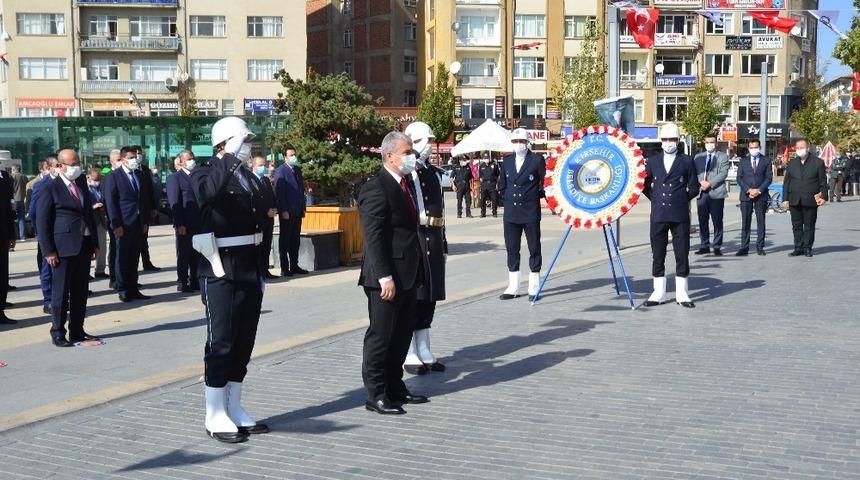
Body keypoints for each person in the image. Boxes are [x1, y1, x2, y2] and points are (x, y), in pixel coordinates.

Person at [192, 117, 269, 442]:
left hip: (249, 267)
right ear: (226, 142)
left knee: (243, 342)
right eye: (242, 140)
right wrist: (226, 157)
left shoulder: (247, 176)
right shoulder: (205, 172)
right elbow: (207, 195)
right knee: (221, 341)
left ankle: (234, 406)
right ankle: (214, 413)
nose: (248, 145)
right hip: (220, 268)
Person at [357, 131, 429, 415]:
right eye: (407, 152)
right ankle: (376, 394)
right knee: (381, 336)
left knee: (401, 335)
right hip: (386, 276)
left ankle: (395, 386)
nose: (412, 156)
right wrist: (384, 276)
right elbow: (373, 237)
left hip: (408, 272)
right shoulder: (376, 187)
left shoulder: (404, 184)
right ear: (390, 156)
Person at [36, 149, 99, 346]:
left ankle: (77, 330)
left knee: (80, 292)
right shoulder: (50, 188)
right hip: (62, 249)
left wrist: (95, 244)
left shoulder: (80, 184)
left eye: (78, 163)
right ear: (60, 166)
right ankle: (57, 331)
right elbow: (42, 222)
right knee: (61, 293)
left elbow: (88, 214)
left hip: (83, 246)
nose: (76, 167)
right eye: (72, 164)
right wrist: (49, 251)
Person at [402, 122, 447, 375]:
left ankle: (424, 347)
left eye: (430, 141)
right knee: (413, 298)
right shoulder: (406, 172)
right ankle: (408, 351)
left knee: (429, 296)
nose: (427, 146)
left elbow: (439, 208)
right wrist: (413, 160)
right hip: (415, 238)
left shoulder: (431, 171)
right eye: (421, 142)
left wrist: (444, 242)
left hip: (432, 237)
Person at [642, 122, 699, 308]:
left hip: (679, 213)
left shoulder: (687, 161)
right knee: (658, 254)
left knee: (681, 253)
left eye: (672, 139)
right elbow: (644, 184)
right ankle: (658, 292)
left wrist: (683, 199)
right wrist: (655, 198)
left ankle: (682, 293)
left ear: (678, 140)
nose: (668, 143)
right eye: (665, 139)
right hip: (658, 213)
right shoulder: (653, 161)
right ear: (661, 141)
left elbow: (695, 186)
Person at [498, 128, 546, 301]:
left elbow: (544, 184)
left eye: (521, 142)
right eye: (515, 142)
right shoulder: (507, 161)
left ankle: (534, 284)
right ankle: (514, 285)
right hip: (511, 211)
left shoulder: (536, 160)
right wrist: (507, 198)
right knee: (512, 247)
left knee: (534, 247)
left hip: (530, 210)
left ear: (527, 143)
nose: (518, 145)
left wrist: (534, 196)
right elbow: (502, 185)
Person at [105, 146, 152, 302]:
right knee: (122, 257)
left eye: (135, 157)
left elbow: (144, 199)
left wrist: (145, 221)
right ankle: (123, 288)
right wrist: (116, 224)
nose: (134, 160)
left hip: (138, 223)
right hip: (123, 223)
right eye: (131, 157)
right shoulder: (114, 176)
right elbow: (111, 202)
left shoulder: (139, 174)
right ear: (123, 158)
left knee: (134, 256)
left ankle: (133, 287)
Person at [782, 139, 827, 258]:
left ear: (808, 148)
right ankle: (798, 248)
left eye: (802, 147)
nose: (799, 150)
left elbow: (823, 182)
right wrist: (785, 199)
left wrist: (824, 197)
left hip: (811, 199)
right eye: (797, 148)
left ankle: (807, 248)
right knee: (796, 225)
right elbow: (787, 182)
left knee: (809, 225)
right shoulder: (792, 163)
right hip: (794, 199)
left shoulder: (818, 162)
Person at [166, 151, 201, 292]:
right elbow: (175, 202)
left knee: (196, 253)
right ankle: (182, 281)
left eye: (192, 158)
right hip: (185, 223)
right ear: (180, 162)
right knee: (184, 254)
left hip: (198, 222)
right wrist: (179, 223)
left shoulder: (197, 176)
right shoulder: (175, 178)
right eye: (188, 159)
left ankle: (195, 280)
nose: (191, 161)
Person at [29, 156, 59, 314]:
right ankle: (48, 300)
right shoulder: (42, 185)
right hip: (47, 233)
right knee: (47, 267)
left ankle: (59, 298)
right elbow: (34, 211)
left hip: (63, 235)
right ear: (48, 167)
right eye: (57, 165)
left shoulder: (66, 182)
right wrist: (40, 232)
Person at [274, 148, 308, 277]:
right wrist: (283, 210)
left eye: (295, 154)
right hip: (287, 212)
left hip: (297, 211)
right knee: (285, 240)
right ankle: (285, 267)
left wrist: (303, 207)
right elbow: (279, 192)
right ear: (285, 158)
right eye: (291, 155)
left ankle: (294, 265)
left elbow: (301, 190)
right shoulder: (281, 171)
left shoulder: (297, 170)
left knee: (295, 240)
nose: (294, 157)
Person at [694, 135, 729, 256]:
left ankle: (717, 246)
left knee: (717, 221)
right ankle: (704, 245)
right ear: (704, 143)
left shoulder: (723, 157)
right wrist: (701, 182)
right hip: (702, 193)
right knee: (702, 221)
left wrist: (709, 183)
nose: (710, 144)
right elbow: (695, 172)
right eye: (707, 142)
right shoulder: (698, 157)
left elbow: (723, 173)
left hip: (717, 193)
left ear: (716, 143)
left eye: (712, 142)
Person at [736, 139, 772, 256]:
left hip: (761, 196)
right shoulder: (743, 161)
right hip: (746, 196)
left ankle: (760, 247)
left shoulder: (766, 160)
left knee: (761, 222)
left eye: (755, 147)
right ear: (748, 148)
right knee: (745, 222)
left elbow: (768, 178)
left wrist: (759, 190)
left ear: (759, 147)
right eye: (751, 148)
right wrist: (748, 190)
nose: (753, 150)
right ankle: (744, 247)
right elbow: (739, 178)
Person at [252, 156, 278, 279]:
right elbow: (255, 201)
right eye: (260, 165)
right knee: (259, 246)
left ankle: (265, 269)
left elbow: (272, 197)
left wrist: (274, 209)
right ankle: (258, 271)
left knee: (267, 244)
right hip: (259, 218)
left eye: (264, 165)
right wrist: (265, 211)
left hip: (270, 218)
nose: (263, 167)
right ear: (254, 166)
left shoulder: (266, 180)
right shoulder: (250, 180)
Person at [135, 146, 160, 272]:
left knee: (144, 238)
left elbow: (150, 189)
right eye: (136, 153)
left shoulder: (144, 169)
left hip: (144, 210)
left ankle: (147, 262)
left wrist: (153, 206)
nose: (138, 156)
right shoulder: (131, 170)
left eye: (140, 153)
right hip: (133, 212)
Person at [103, 149, 122, 289]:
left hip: (129, 220)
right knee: (115, 248)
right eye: (118, 160)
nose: (121, 162)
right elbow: (108, 200)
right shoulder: (109, 177)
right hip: (114, 219)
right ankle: (114, 278)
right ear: (111, 162)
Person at [87, 167, 109, 279]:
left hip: (101, 220)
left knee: (102, 246)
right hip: (90, 221)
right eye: (95, 179)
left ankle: (100, 270)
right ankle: (86, 272)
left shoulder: (102, 186)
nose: (97, 182)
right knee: (87, 247)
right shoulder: (84, 187)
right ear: (89, 176)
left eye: (98, 179)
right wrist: (93, 206)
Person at [10, 165, 27, 241]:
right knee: (21, 219)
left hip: (13, 201)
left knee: (11, 218)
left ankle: (13, 236)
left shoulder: (11, 177)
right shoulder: (24, 176)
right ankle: (22, 237)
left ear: (13, 169)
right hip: (21, 200)